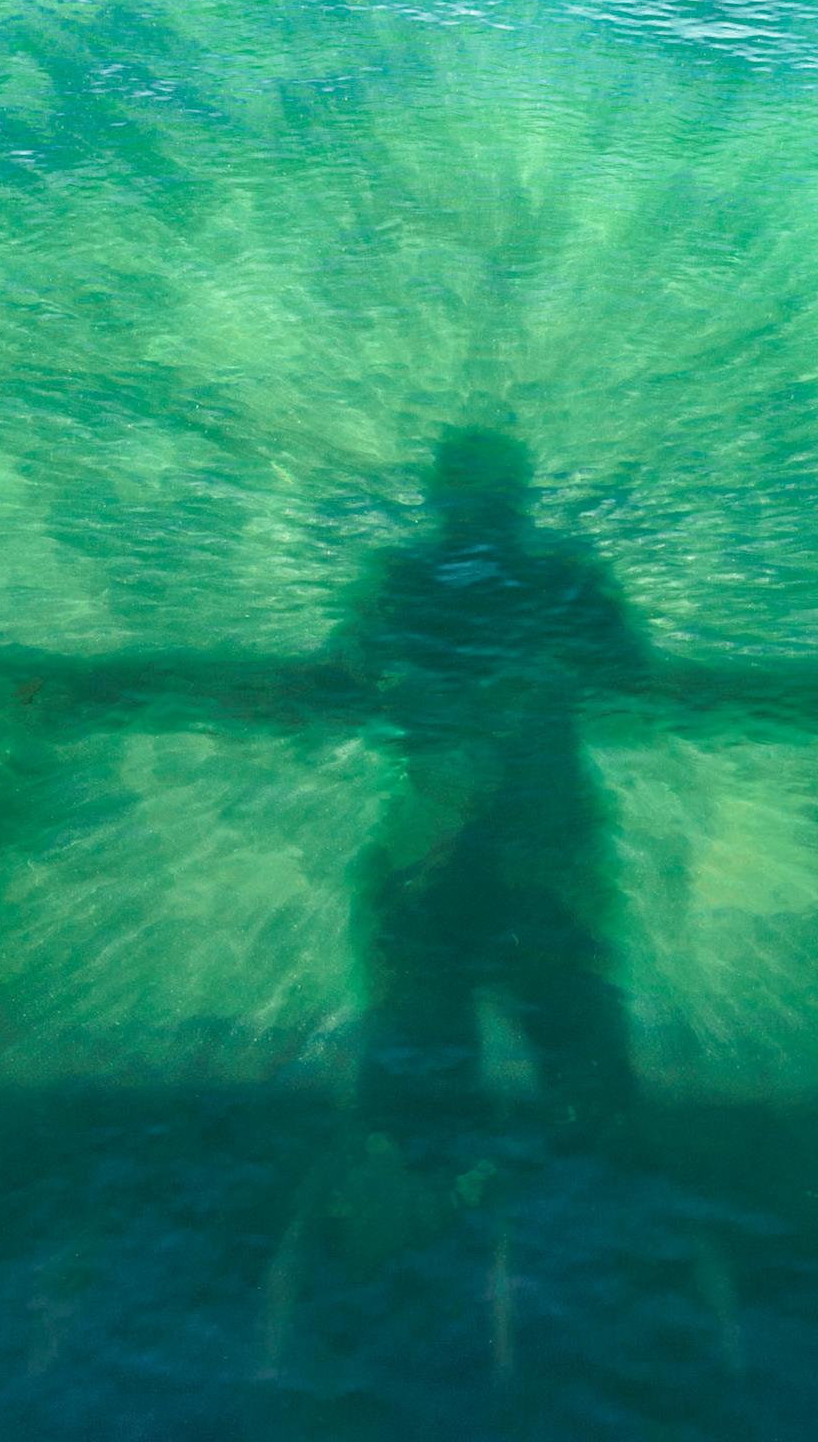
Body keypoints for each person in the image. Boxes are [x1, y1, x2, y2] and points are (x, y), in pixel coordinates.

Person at [331, 425, 646, 1124]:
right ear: (522, 496)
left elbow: (350, 665)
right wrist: (534, 677)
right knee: (577, 1057)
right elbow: (629, 667)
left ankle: (428, 1192)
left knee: (422, 1064)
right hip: (539, 847)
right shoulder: (562, 573)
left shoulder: (403, 576)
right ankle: (592, 1189)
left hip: (443, 846)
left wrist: (428, 689)